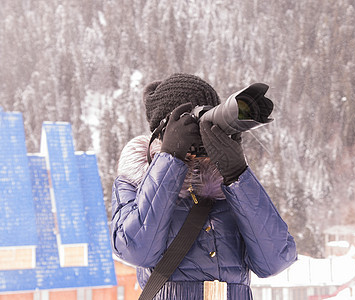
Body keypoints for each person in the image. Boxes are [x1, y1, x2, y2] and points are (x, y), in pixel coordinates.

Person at [110, 73, 297, 299]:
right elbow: (135, 249)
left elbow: (276, 259)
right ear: (164, 130)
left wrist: (237, 174)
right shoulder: (137, 177)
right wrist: (170, 159)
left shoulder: (229, 183)